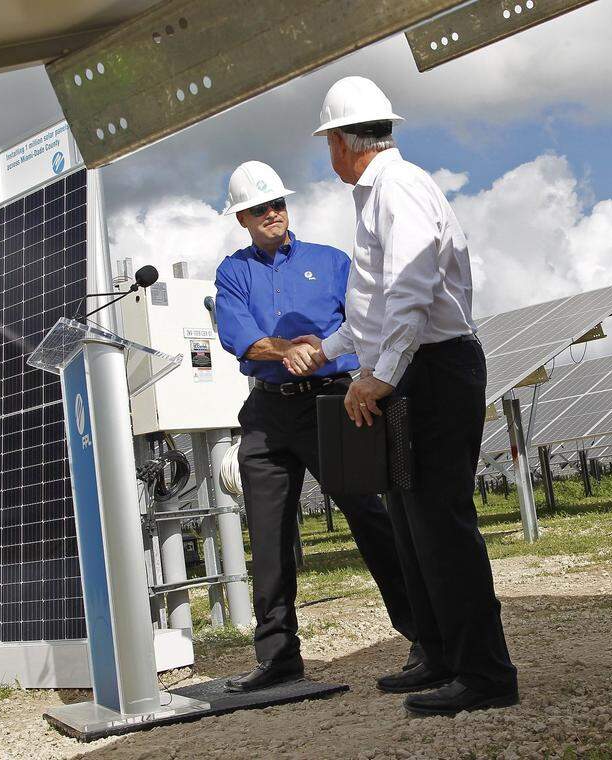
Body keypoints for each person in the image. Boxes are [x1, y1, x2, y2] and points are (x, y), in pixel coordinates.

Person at [288, 77, 519, 716]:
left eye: (327, 143)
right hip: (414, 367)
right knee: (414, 522)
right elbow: (378, 309)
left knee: (440, 522)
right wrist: (332, 350)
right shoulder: (378, 194)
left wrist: (378, 376)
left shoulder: (400, 188)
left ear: (339, 141)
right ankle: (441, 654)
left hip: (433, 369)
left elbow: (414, 292)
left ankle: (486, 674)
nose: (328, 155)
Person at [214, 160, 420, 692]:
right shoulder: (233, 273)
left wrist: (323, 355)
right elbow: (241, 337)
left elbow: (363, 322)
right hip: (265, 411)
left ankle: (425, 636)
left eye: (278, 203)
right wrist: (292, 349)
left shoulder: (332, 263)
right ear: (242, 217)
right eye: (259, 208)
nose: (272, 214)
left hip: (331, 402)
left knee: (370, 516)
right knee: (267, 533)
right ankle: (279, 656)